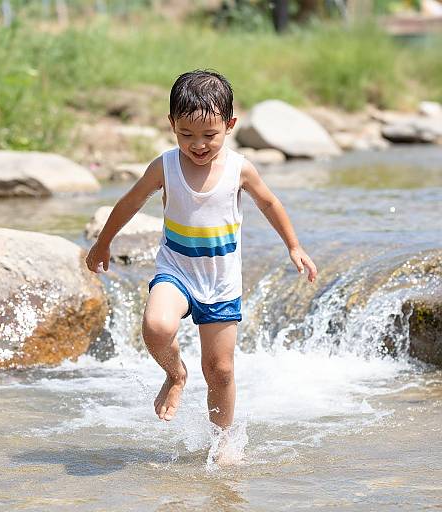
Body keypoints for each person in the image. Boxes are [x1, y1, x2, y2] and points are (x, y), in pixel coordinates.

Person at [86, 69, 317, 432]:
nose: (197, 144)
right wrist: (103, 242)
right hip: (176, 271)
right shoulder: (165, 166)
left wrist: (294, 245)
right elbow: (130, 202)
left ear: (230, 125)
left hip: (221, 282)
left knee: (221, 371)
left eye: (209, 135)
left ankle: (221, 442)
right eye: (185, 134)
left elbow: (269, 203)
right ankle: (175, 374)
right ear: (171, 124)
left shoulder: (240, 169)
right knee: (157, 327)